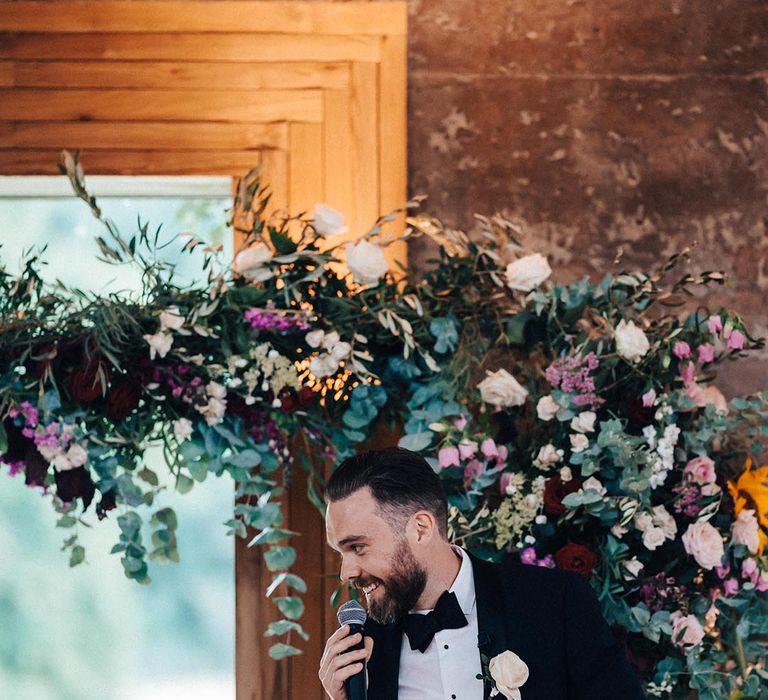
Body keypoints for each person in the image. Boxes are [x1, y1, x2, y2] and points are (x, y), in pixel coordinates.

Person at [319, 447, 645, 700]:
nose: (347, 572)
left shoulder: (554, 601)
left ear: (420, 529)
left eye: (358, 547)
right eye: (340, 552)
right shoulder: (362, 651)